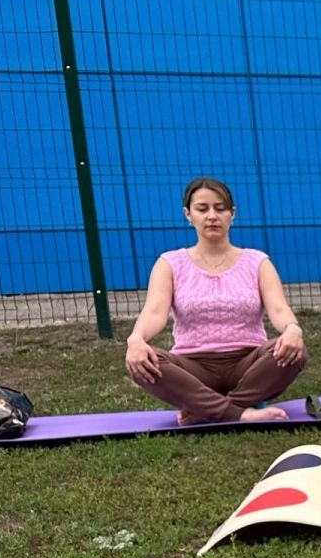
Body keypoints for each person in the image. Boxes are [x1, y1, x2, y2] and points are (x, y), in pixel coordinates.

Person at [123, 177, 306, 424]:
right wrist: (136, 339)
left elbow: (279, 309)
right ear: (188, 214)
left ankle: (206, 409)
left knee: (294, 351)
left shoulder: (257, 262)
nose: (212, 216)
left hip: (248, 366)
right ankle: (238, 412)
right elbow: (155, 312)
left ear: (232, 214)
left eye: (220, 208)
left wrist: (293, 329)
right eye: (202, 209)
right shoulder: (170, 263)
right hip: (192, 368)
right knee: (146, 361)